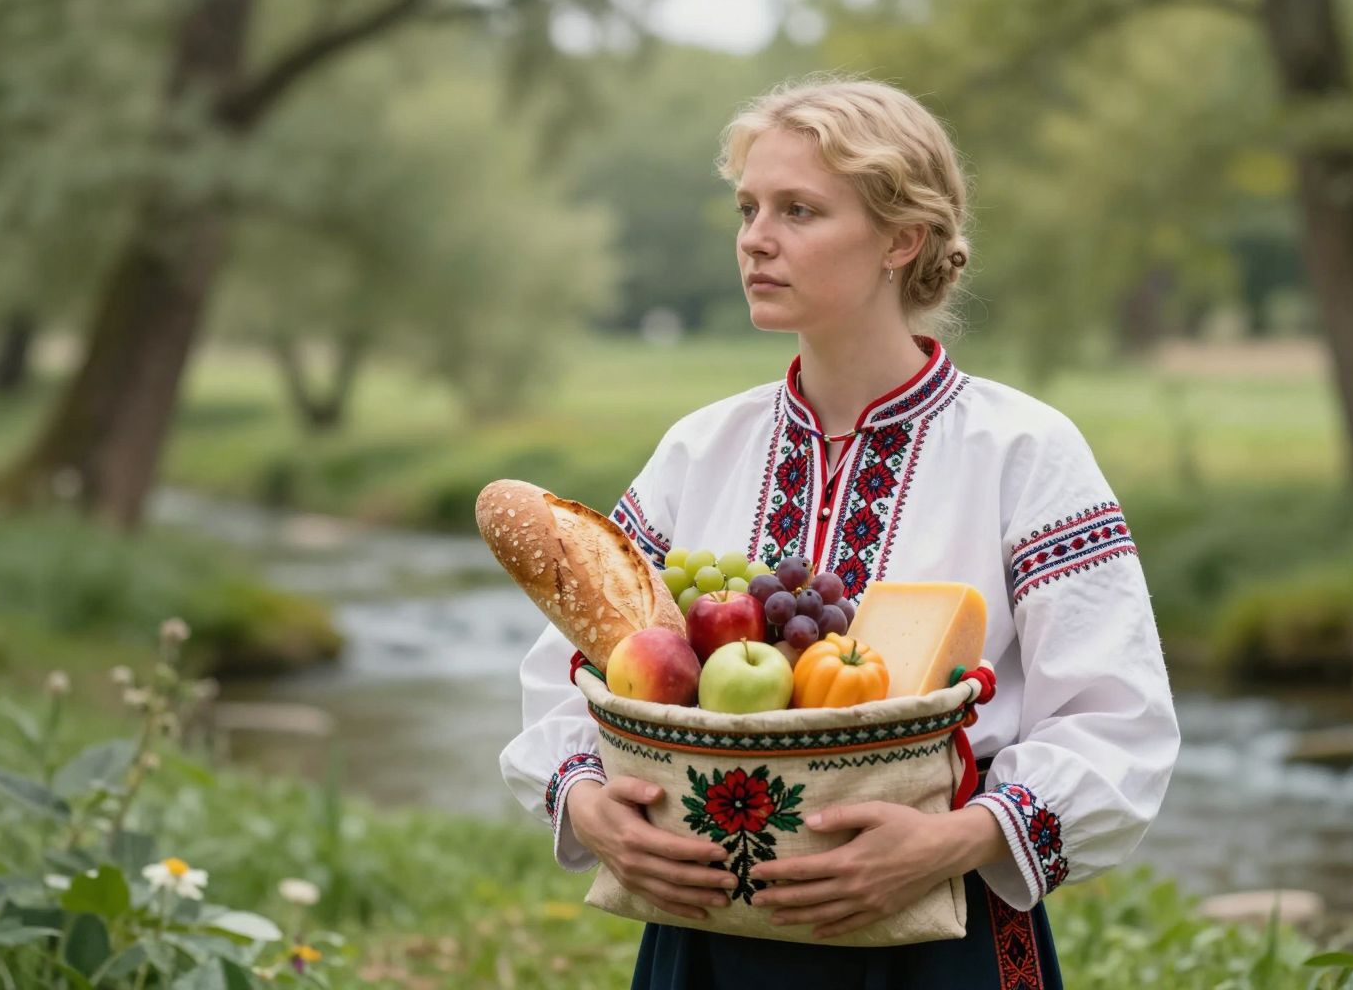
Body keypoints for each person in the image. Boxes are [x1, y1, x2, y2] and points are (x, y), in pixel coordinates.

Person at [499, 76, 1180, 989]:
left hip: (940, 937)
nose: (756, 237)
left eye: (799, 210)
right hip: (709, 933)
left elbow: (1118, 721)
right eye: (748, 208)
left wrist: (951, 841)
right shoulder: (703, 448)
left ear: (902, 239)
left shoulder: (1024, 452)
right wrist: (588, 805)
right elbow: (571, 670)